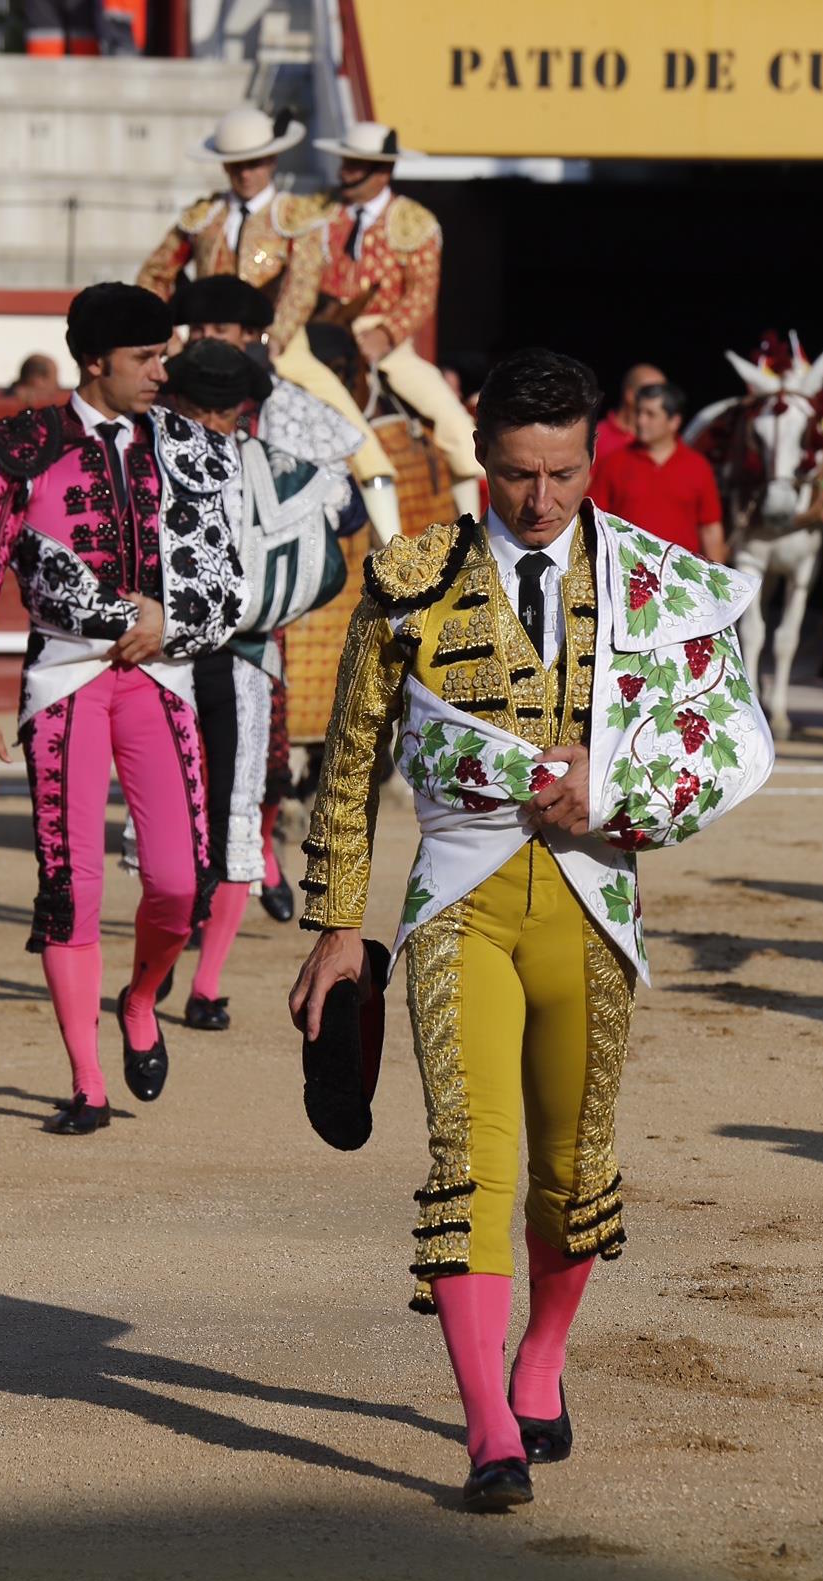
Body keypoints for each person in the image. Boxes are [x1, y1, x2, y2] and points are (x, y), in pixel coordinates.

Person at [289, 348, 773, 1509]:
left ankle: (543, 1360)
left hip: (592, 905)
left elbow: (727, 738)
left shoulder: (656, 582)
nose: (541, 502)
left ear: (592, 454)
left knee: (571, 1172)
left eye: (560, 474)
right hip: (458, 901)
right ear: (484, 463)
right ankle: (488, 1429)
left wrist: (608, 789)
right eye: (515, 475)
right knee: (469, 1161)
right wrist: (337, 927)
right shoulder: (407, 576)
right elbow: (350, 769)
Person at [0, 282, 247, 1135]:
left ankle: (142, 997)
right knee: (69, 888)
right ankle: (87, 1083)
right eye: (147, 358)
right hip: (64, 682)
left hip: (159, 679)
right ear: (95, 362)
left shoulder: (188, 444)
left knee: (180, 883)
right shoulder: (23, 445)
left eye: (164, 356)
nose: (163, 371)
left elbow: (226, 575)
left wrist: (170, 619)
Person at [164, 338, 349, 1027]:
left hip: (186, 656)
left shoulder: (146, 457)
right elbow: (342, 532)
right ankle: (197, 980)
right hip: (234, 653)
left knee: (197, 817)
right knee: (223, 816)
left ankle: (187, 975)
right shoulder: (280, 462)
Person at [137, 105, 395, 538]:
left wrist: (275, 340)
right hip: (204, 345)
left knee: (360, 440)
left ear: (272, 161)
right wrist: (168, 338)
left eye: (253, 162)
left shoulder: (296, 216)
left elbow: (302, 281)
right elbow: (153, 275)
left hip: (282, 349)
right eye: (236, 164)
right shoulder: (204, 217)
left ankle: (395, 559)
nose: (244, 173)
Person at [310, 121, 485, 540]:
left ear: (383, 172)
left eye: (359, 165)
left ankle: (474, 536)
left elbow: (422, 294)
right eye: (347, 162)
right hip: (319, 338)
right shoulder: (317, 213)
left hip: (386, 345)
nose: (346, 173)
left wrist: (386, 335)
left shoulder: (415, 221)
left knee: (457, 428)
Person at [590, 380, 726, 562]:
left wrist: (717, 582)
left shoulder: (698, 466)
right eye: (638, 412)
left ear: (674, 422)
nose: (640, 420)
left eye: (650, 414)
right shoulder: (613, 463)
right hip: (626, 572)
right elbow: (593, 521)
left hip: (681, 576)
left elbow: (710, 528)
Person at [592, 362, 667, 467]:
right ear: (630, 395)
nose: (660, 402)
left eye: (664, 395)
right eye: (652, 393)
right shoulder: (596, 437)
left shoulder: (665, 438)